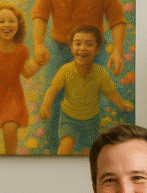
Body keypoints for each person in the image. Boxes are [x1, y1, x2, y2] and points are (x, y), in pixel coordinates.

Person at [31, 0, 127, 153]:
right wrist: (38, 44)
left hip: (93, 53)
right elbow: (39, 15)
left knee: (93, 99)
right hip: (59, 50)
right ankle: (52, 150)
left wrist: (118, 51)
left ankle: (89, 151)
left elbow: (117, 20)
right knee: (54, 97)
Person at [39, 25, 133, 155]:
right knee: (65, 145)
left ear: (97, 49)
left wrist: (121, 103)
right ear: (71, 48)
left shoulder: (100, 73)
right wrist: (45, 105)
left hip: (91, 120)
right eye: (78, 44)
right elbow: (53, 89)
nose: (82, 48)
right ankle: (61, 167)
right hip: (69, 118)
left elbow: (109, 92)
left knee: (88, 152)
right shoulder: (65, 70)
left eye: (89, 44)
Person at [0, 4, 43, 155]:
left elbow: (27, 72)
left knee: (10, 128)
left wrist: (39, 63)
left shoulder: (21, 50)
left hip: (13, 95)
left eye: (11, 21)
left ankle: (11, 159)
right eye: (1, 21)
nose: (7, 25)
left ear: (18, 26)